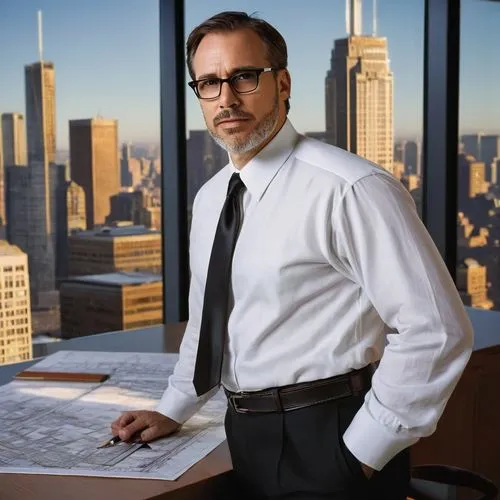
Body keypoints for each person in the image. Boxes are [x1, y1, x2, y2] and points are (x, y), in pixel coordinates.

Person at [111, 11, 474, 499]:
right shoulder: (212, 197)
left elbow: (437, 329)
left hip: (329, 434)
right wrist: (174, 407)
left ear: (282, 82)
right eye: (209, 83)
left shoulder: (351, 189)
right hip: (243, 431)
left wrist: (359, 454)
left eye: (243, 76)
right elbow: (210, 320)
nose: (227, 98)